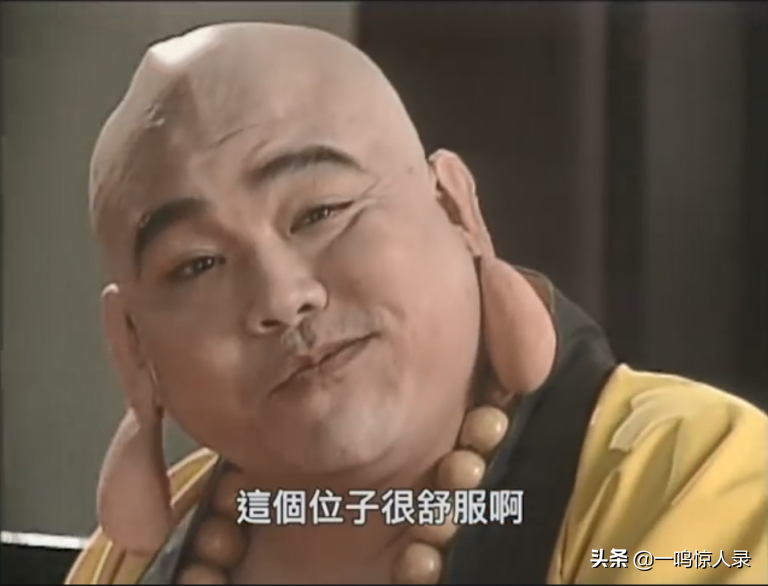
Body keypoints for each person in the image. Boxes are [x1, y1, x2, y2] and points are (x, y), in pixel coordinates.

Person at [66, 22, 766, 585]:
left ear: (456, 208)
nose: (282, 297)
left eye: (320, 213)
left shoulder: (695, 478)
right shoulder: (128, 563)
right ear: (134, 345)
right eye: (198, 264)